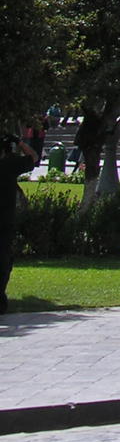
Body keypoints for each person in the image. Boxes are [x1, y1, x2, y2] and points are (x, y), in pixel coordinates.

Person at [1, 132, 35, 314]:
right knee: (4, 260)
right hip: (5, 219)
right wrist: (20, 142)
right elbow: (33, 157)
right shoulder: (9, 165)